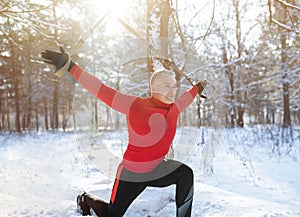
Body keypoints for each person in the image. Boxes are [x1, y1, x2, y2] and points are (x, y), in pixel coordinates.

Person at [41, 47, 206, 217]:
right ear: (154, 87)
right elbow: (100, 89)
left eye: (174, 86)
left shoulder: (174, 109)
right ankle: (85, 199)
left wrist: (197, 88)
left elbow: (188, 96)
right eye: (167, 86)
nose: (172, 91)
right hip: (131, 174)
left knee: (185, 173)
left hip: (158, 169)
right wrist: (70, 66)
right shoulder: (135, 105)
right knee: (112, 215)